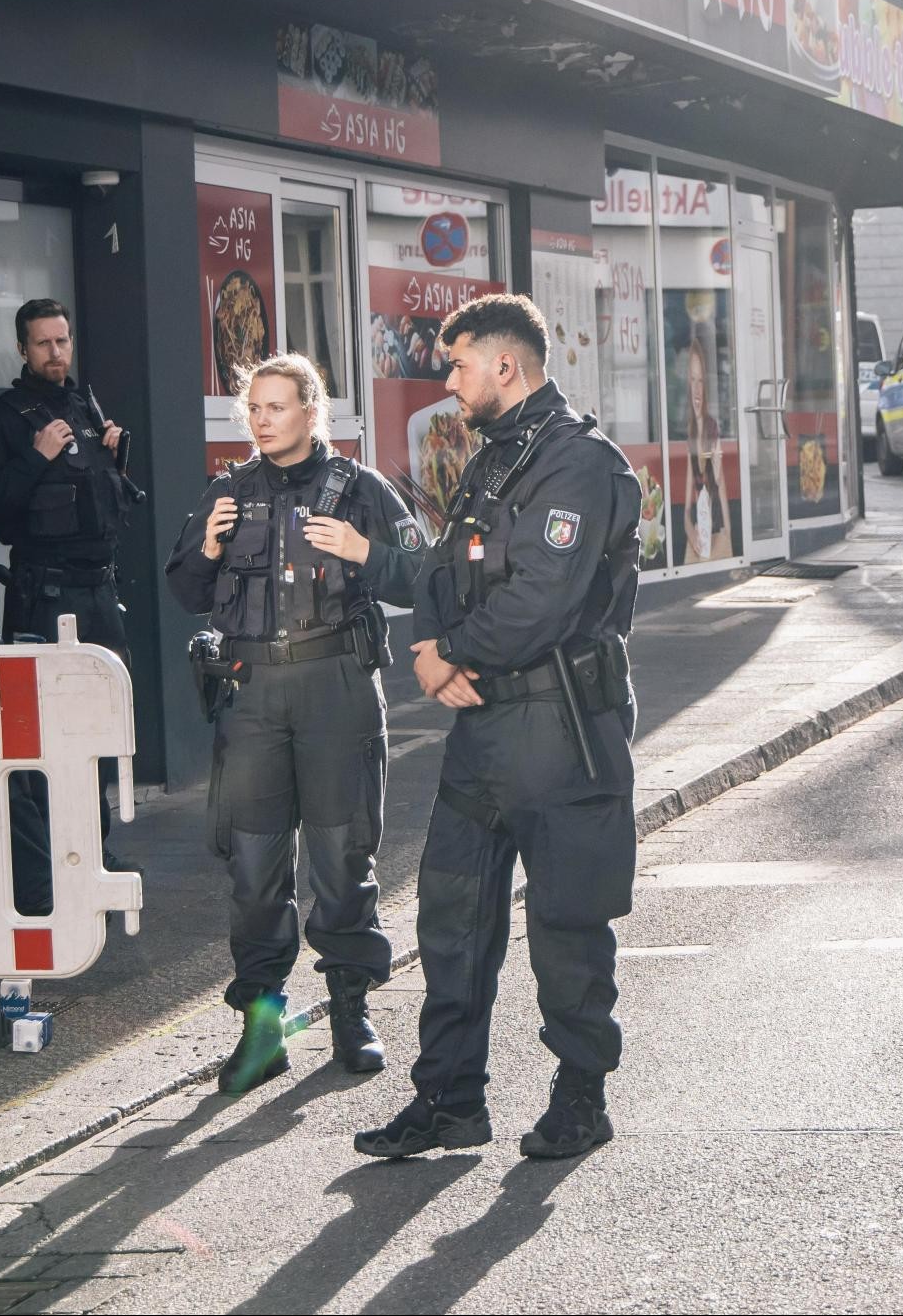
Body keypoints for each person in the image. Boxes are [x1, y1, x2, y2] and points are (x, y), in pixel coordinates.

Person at [353, 293, 643, 1164]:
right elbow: (445, 571)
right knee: (451, 920)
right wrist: (429, 637)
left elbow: (540, 605)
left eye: (459, 365)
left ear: (505, 366)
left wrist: (447, 659)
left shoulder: (580, 466)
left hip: (561, 728)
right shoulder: (493, 465)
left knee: (567, 925)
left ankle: (580, 1100)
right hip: (485, 732)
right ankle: (447, 1102)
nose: (450, 382)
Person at [165, 353, 425, 1091]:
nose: (263, 420)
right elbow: (185, 587)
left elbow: (422, 574)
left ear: (313, 414)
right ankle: (262, 1030)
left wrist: (365, 550)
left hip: (335, 684)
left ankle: (350, 1011)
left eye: (278, 407)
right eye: (255, 408)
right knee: (253, 870)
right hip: (251, 693)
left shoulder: (361, 489)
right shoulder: (228, 492)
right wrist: (210, 546)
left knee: (343, 859)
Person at [0, 298, 141, 879]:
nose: (55, 352)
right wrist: (37, 458)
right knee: (43, 730)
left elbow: (105, 500)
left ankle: (93, 847)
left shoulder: (85, 405)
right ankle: (47, 859)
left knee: (99, 721)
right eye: (43, 343)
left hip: (98, 590)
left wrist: (117, 460)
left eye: (62, 341)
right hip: (43, 593)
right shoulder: (3, 416)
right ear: (22, 349)